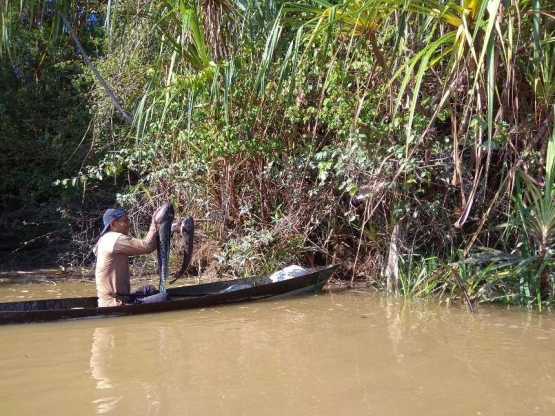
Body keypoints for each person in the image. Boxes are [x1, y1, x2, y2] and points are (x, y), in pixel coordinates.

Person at [93, 207, 169, 307]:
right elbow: (147, 246)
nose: (129, 224)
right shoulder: (114, 240)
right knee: (164, 297)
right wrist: (154, 223)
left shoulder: (104, 240)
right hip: (115, 303)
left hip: (121, 297)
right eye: (125, 221)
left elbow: (151, 246)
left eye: (128, 220)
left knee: (150, 289)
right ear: (113, 224)